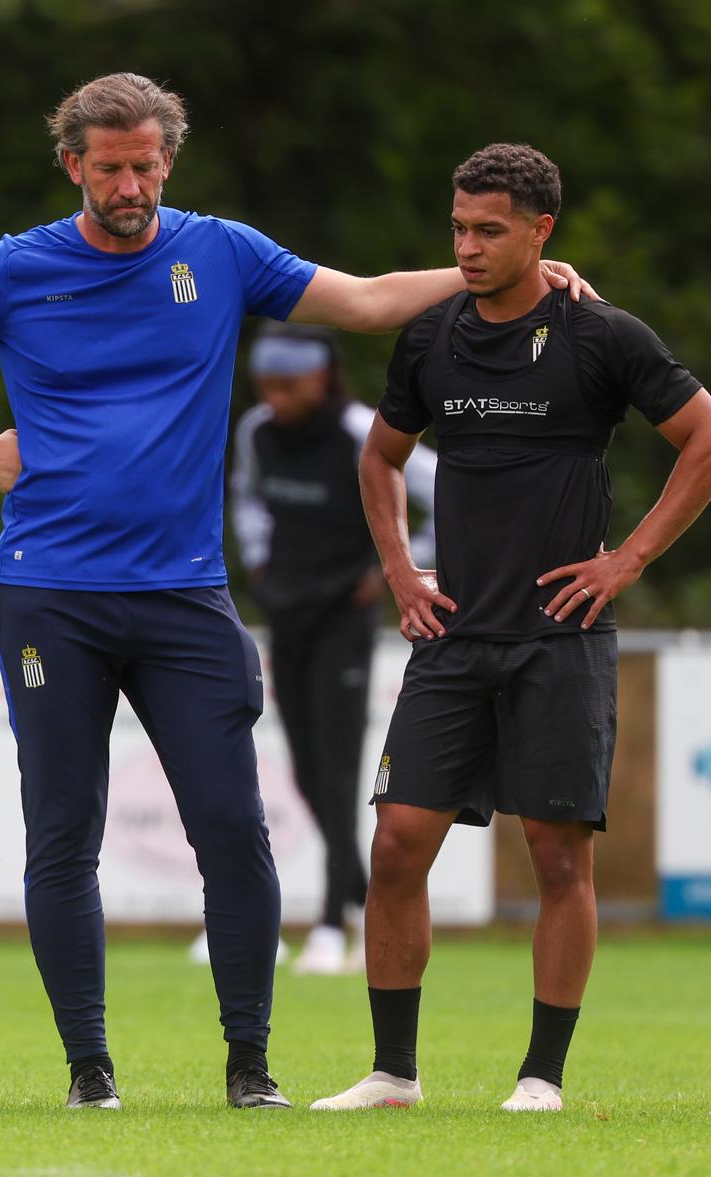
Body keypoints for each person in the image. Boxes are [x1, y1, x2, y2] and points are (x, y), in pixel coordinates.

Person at [0, 74, 595, 1111]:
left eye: (146, 163)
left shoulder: (221, 252)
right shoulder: (14, 268)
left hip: (184, 598)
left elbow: (371, 301)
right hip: (49, 595)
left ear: (170, 159)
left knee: (234, 829)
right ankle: (89, 1073)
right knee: (63, 832)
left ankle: (251, 1068)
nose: (130, 182)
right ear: (73, 165)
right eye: (109, 165)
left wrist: (512, 272)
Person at [311, 143, 711, 1113]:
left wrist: (626, 560)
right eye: (458, 227)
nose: (466, 246)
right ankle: (392, 1072)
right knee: (395, 844)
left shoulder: (604, 337)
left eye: (488, 230)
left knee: (557, 856)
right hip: (453, 637)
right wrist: (399, 571)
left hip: (561, 638)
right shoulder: (430, 339)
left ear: (542, 231)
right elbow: (380, 460)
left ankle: (541, 1077)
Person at [223, 323, 437, 975]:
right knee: (308, 770)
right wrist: (259, 563)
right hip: (287, 614)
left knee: (342, 770)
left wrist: (399, 567)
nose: (276, 397)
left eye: (290, 384)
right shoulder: (257, 429)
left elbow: (446, 497)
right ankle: (365, 893)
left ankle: (330, 922)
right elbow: (247, 498)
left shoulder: (360, 430)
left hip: (345, 617)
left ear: (322, 377)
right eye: (267, 384)